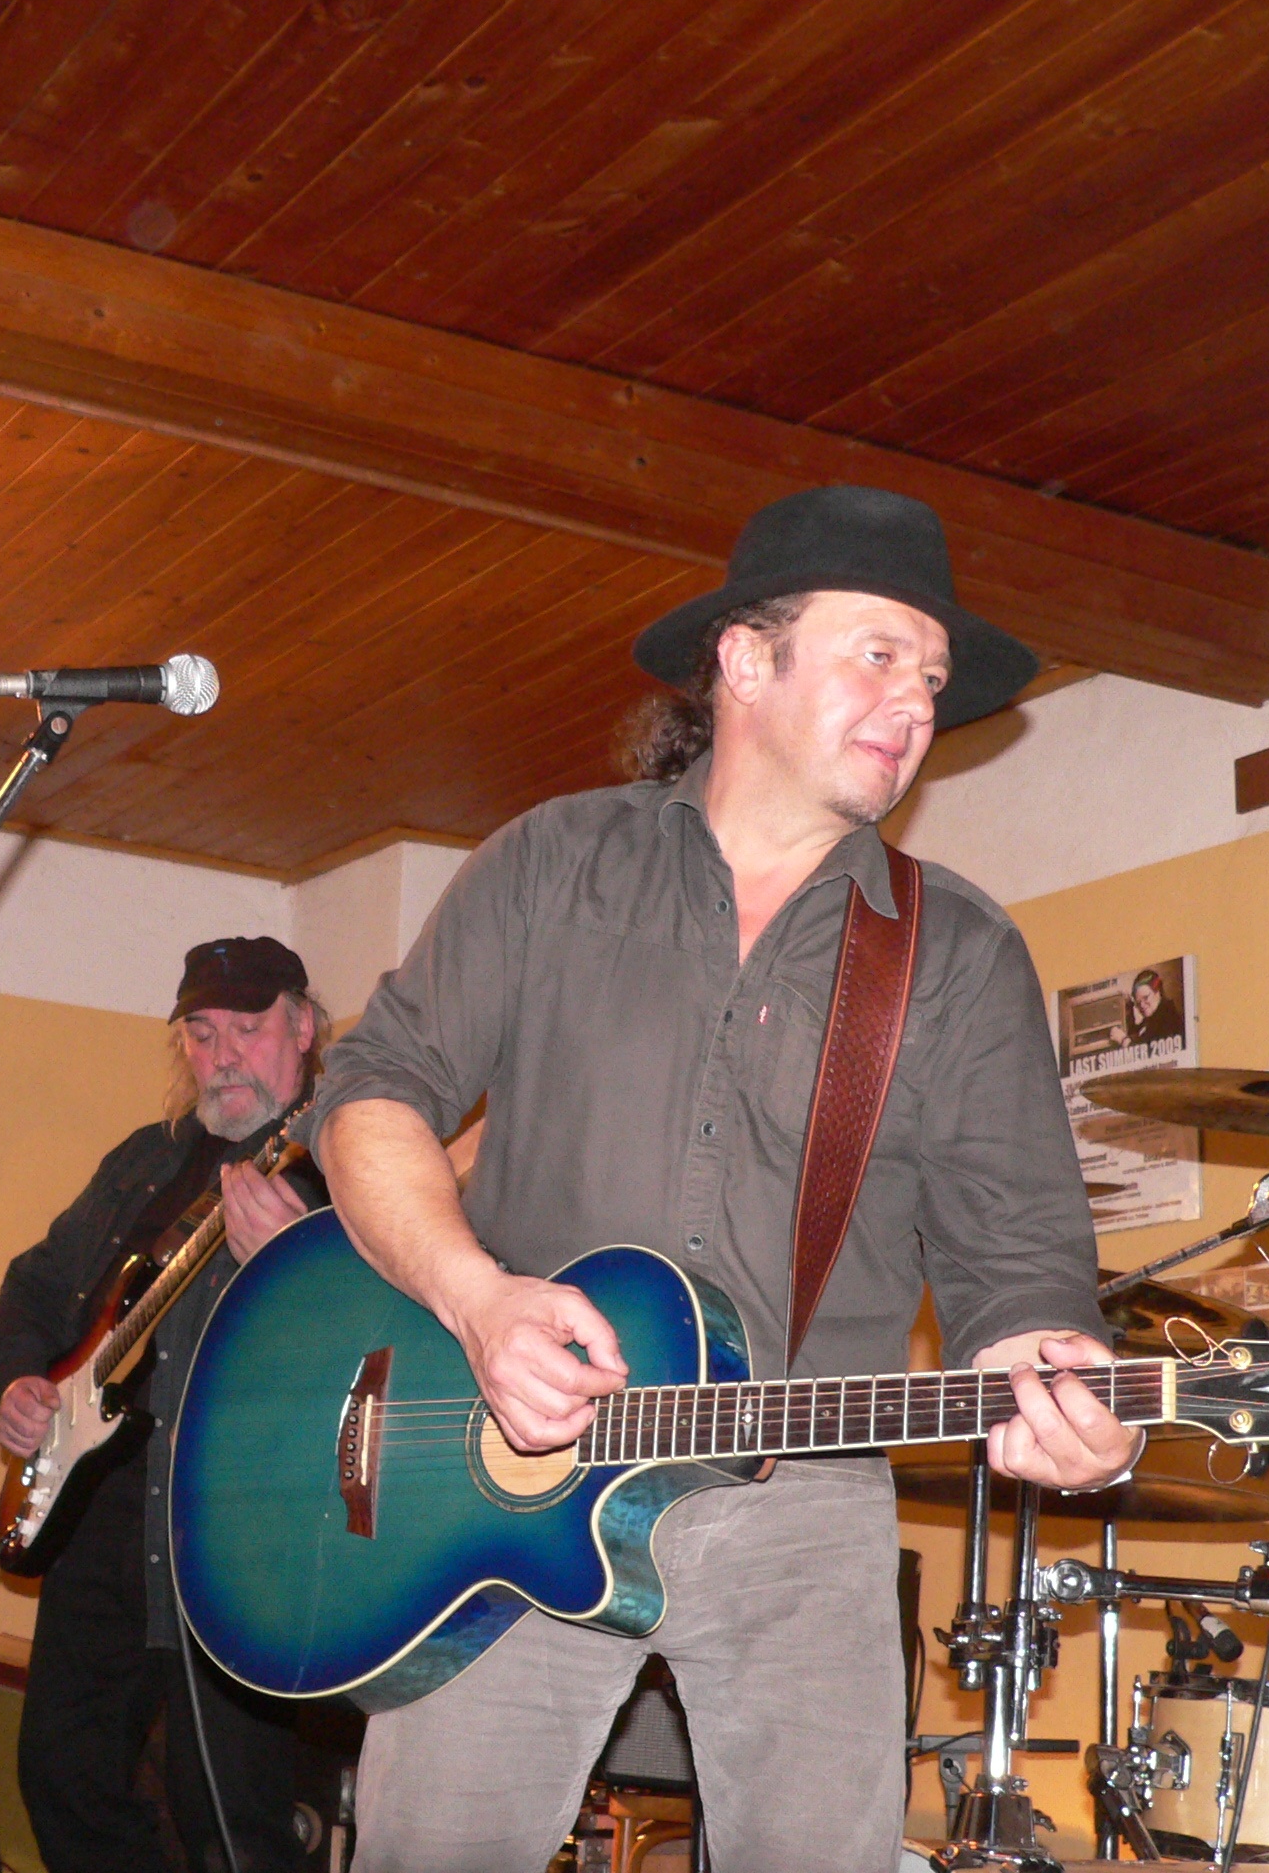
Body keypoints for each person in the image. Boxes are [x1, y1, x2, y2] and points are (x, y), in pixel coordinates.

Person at [307, 484, 1136, 1872]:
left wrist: (1062, 1384)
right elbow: (370, 1095)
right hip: (502, 1470)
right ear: (747, 660)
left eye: (932, 679)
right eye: (879, 654)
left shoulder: (958, 953)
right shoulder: (552, 864)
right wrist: (477, 1302)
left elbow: (1017, 1263)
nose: (915, 703)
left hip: (799, 1505)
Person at [0, 937, 325, 1873]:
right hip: (103, 1521)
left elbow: (391, 1338)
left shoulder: (344, 1162)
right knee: (60, 1779)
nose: (224, 1056)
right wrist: (19, 1381)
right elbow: (29, 1294)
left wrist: (299, 1260)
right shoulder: (145, 1161)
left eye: (248, 1029)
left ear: (303, 1029)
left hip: (238, 1534)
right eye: (202, 1035)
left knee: (232, 1817)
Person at [1125, 966, 1185, 1048]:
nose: (1142, 1005)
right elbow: (1137, 1034)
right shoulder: (1150, 1019)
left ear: (1158, 992)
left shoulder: (1168, 1018)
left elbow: (1149, 1050)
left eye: (1146, 997)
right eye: (1138, 1002)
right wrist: (1129, 1009)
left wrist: (1124, 1041)